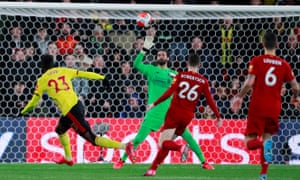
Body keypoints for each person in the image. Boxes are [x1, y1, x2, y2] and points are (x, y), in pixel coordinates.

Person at [113, 35, 216, 170]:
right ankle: (121, 160)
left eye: (163, 55)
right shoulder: (151, 70)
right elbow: (136, 64)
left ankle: (204, 162)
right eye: (159, 55)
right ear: (157, 58)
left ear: (167, 58)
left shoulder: (174, 74)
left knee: (188, 137)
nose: (160, 56)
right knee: (138, 139)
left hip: (170, 113)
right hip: (154, 113)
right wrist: (144, 50)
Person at [20, 54, 136, 166]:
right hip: (77, 105)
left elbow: (33, 102)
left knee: (92, 139)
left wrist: (23, 111)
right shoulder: (63, 70)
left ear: (42, 66)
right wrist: (102, 77)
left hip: (71, 111)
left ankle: (125, 146)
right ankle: (68, 158)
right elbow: (83, 74)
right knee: (60, 130)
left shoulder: (42, 80)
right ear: (53, 63)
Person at [230, 31, 300, 180]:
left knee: (249, 143)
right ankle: (263, 173)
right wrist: (295, 98)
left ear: (262, 44)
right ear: (277, 45)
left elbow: (249, 83)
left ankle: (262, 148)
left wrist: (239, 97)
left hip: (258, 106)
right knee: (267, 139)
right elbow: (296, 87)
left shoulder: (257, 61)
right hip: (274, 107)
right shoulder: (284, 64)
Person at [143, 53, 222, 176]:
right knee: (167, 143)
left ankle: (181, 148)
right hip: (187, 116)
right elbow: (210, 100)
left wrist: (154, 104)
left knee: (162, 142)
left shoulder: (181, 76)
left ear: (187, 64)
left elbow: (169, 92)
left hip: (175, 113)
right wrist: (218, 116)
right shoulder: (203, 81)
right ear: (200, 65)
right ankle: (152, 169)